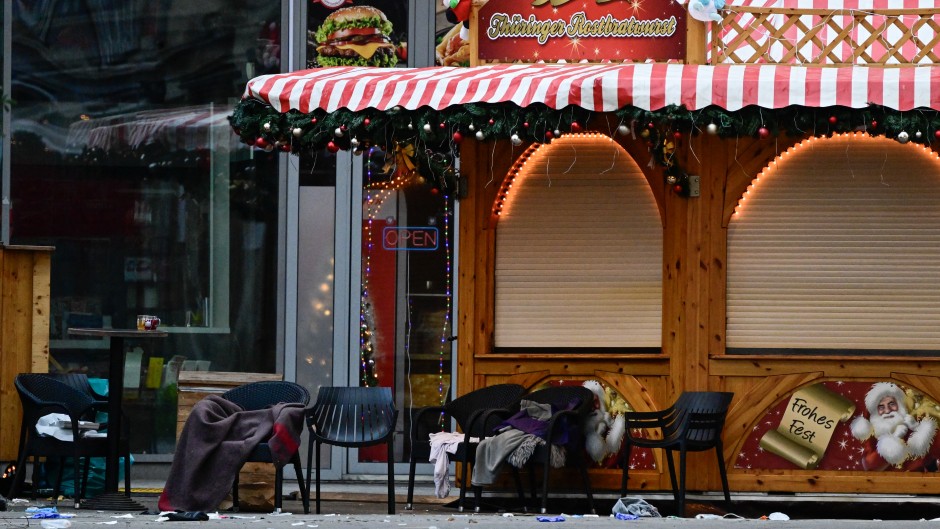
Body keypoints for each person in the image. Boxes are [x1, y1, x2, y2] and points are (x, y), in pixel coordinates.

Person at [850, 382, 938, 471]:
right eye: (881, 407)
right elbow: (870, 467)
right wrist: (894, 438)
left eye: (891, 404)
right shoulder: (873, 435)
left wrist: (918, 429)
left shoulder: (912, 425)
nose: (887, 410)